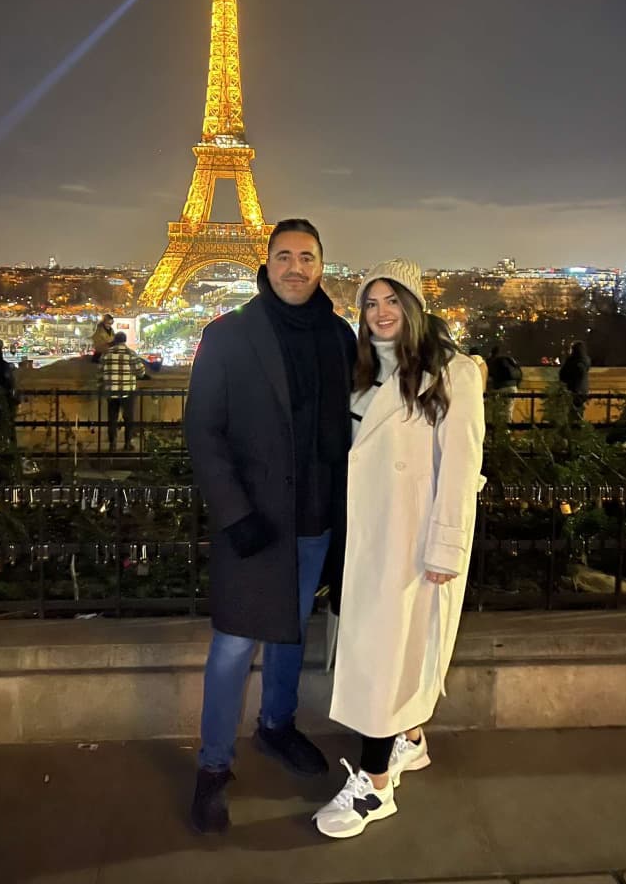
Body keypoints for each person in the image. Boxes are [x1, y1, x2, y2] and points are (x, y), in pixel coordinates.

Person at [185, 218, 356, 834]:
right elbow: (203, 431)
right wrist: (235, 515)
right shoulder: (227, 335)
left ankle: (277, 726)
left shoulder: (340, 336)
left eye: (306, 257)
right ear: (267, 261)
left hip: (315, 519)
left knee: (291, 632)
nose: (294, 268)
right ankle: (212, 766)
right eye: (283, 256)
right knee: (234, 644)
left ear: (321, 265)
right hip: (255, 522)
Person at [314, 258, 485, 840]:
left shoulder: (454, 374)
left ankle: (375, 788)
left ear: (414, 306)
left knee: (382, 661)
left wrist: (445, 550)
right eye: (370, 303)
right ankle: (409, 740)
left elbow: (461, 471)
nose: (381, 313)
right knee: (381, 653)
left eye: (392, 301)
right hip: (358, 536)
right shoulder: (359, 371)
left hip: (407, 544)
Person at [98, 331, 147, 451]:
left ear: (115, 340)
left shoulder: (106, 354)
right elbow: (141, 372)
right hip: (127, 391)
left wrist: (101, 386)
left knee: (112, 418)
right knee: (129, 418)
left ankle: (112, 443)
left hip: (111, 391)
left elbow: (99, 373)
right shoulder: (130, 353)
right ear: (125, 341)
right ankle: (127, 443)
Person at [486, 343, 522, 423]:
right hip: (512, 387)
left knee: (493, 412)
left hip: (499, 388)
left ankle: (494, 431)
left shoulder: (491, 361)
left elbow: (489, 376)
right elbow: (519, 373)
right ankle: (507, 431)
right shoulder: (510, 360)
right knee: (508, 411)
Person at [559, 341, 590, 422]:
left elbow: (562, 374)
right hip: (583, 390)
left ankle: (574, 429)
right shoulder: (586, 360)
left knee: (572, 414)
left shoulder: (572, 361)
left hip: (573, 390)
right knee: (579, 412)